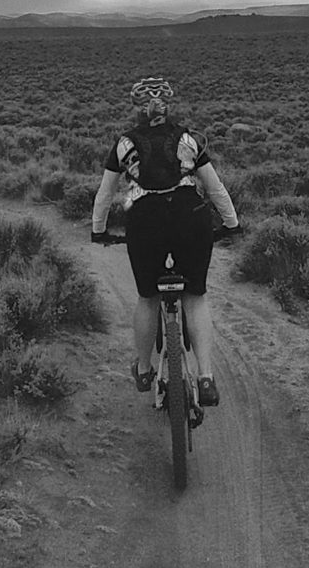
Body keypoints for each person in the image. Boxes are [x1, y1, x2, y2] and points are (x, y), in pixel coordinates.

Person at [88, 75, 241, 409]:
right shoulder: (188, 139)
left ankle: (144, 370)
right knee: (195, 296)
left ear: (138, 110)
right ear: (167, 107)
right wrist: (231, 223)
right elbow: (214, 188)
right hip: (191, 217)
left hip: (146, 223)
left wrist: (98, 230)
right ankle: (205, 377)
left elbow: (105, 194)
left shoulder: (124, 143)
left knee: (147, 297)